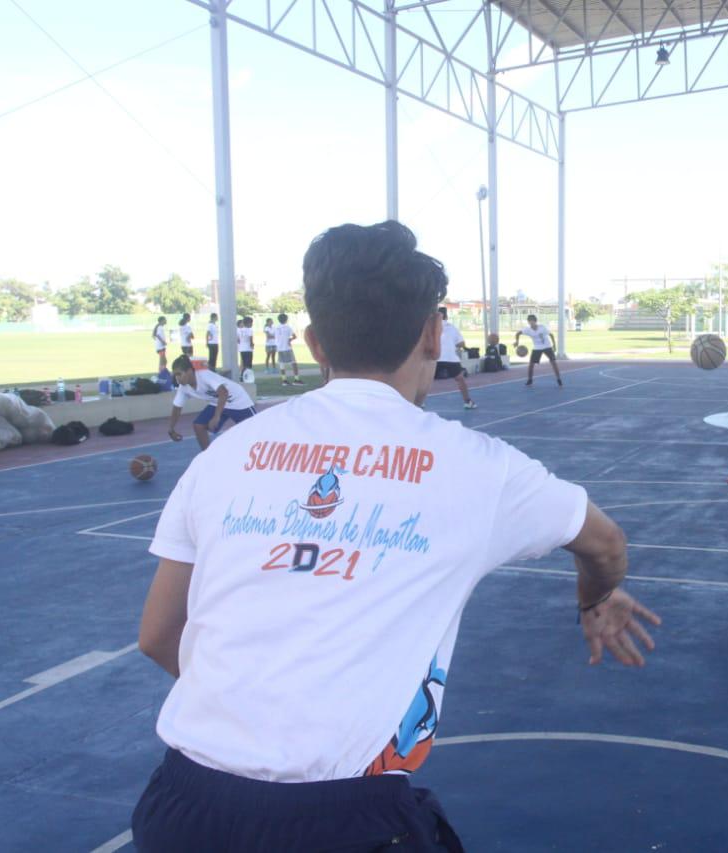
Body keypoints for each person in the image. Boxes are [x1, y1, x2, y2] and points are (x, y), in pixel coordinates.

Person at [132, 221, 660, 852]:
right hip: (344, 818)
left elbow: (159, 635)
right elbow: (606, 545)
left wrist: (258, 721)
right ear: (433, 334)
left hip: (185, 808)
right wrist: (594, 600)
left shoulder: (224, 454)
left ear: (314, 343)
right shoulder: (481, 469)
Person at [165, 354, 258, 451]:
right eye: (175, 375)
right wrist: (171, 428)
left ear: (189, 371)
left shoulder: (204, 375)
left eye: (179, 374)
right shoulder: (183, 388)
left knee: (255, 428)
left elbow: (224, 392)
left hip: (238, 401)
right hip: (218, 402)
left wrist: (216, 417)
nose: (177, 378)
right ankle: (207, 455)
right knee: (198, 425)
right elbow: (177, 408)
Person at [435, 307, 476, 409]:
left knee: (424, 381)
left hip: (434, 358)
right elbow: (461, 343)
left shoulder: (430, 327)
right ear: (447, 316)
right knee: (460, 380)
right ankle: (468, 402)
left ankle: (418, 403)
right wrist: (452, 345)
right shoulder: (452, 327)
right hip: (451, 358)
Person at [515, 314, 562, 387]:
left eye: (532, 321)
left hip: (547, 346)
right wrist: (517, 341)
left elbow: (551, 335)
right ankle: (530, 380)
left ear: (535, 321)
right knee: (531, 365)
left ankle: (558, 379)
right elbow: (518, 333)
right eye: (529, 321)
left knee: (553, 363)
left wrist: (554, 345)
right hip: (537, 348)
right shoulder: (527, 329)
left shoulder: (542, 327)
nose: (531, 323)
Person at [274, 312, 304, 386]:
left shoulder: (276, 328)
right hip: (287, 348)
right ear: (286, 319)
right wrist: (289, 340)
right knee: (294, 364)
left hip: (279, 348)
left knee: (282, 364)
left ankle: (284, 380)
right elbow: (294, 336)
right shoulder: (288, 327)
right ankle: (296, 380)